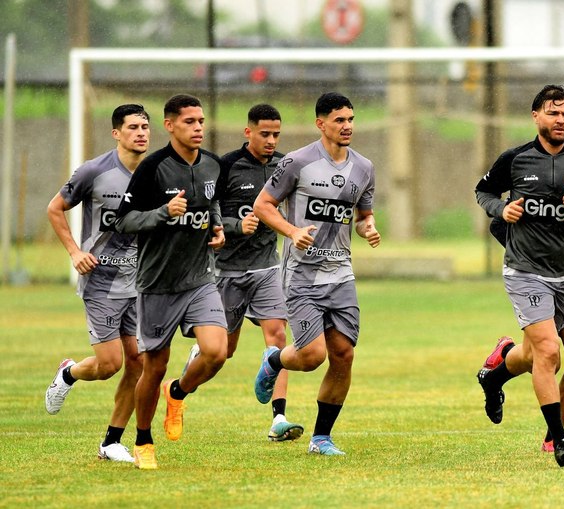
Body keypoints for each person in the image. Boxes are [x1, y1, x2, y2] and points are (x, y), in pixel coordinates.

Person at [475, 85, 564, 467]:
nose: (560, 120)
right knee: (549, 353)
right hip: (525, 272)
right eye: (553, 113)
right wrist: (501, 210)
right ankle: (559, 438)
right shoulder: (517, 159)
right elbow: (484, 191)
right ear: (536, 116)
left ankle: (497, 371)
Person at [252, 92, 381, 457]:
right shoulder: (297, 161)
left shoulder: (364, 167)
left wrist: (368, 228)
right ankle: (275, 360)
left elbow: (362, 215)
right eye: (339, 120)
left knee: (343, 354)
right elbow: (263, 205)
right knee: (311, 357)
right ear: (320, 123)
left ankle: (321, 437)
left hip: (340, 275)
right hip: (302, 276)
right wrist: (292, 232)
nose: (347, 127)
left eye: (351, 120)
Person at [115, 94, 229, 470]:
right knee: (155, 366)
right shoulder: (153, 168)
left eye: (201, 121)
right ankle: (143, 440)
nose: (198, 128)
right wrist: (164, 212)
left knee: (216, 352)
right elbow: (125, 221)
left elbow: (212, 204)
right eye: (189, 122)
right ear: (170, 125)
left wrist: (217, 227)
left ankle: (178, 392)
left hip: (200, 278)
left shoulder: (213, 165)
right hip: (158, 283)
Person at [44, 104, 151, 463]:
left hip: (140, 284)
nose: (141, 133)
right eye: (133, 127)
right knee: (110, 366)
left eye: (145, 127)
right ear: (116, 133)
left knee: (138, 362)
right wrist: (74, 252)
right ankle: (69, 372)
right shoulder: (94, 170)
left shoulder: (158, 173)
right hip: (101, 283)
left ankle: (111, 441)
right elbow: (54, 208)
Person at [213, 103, 302, 442]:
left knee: (277, 338)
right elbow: (207, 209)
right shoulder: (227, 167)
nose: (271, 140)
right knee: (223, 351)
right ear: (248, 132)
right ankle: (178, 388)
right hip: (228, 270)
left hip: (268, 266)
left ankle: (279, 419)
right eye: (264, 133)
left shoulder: (284, 165)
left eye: (276, 134)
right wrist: (235, 225)